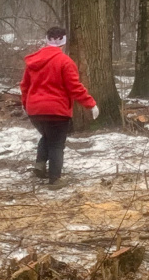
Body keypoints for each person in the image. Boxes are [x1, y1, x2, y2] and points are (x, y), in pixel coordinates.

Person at [20, 26, 99, 186]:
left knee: (48, 136)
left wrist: (25, 104)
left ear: (46, 40)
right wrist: (90, 104)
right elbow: (74, 87)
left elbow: (25, 86)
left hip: (34, 110)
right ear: (63, 41)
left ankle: (40, 165)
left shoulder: (33, 61)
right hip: (57, 110)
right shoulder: (65, 62)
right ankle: (55, 180)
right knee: (56, 143)